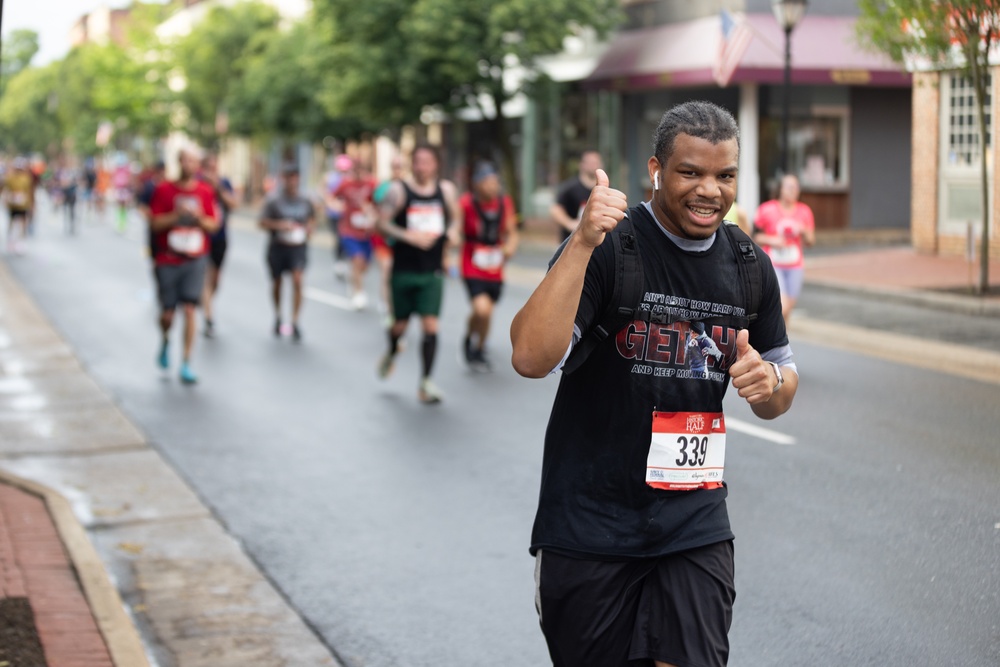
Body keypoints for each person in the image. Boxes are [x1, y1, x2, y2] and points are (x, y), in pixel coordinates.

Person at [510, 100, 799, 667]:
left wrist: (770, 385)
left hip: (694, 520)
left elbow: (781, 385)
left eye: (725, 175)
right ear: (656, 169)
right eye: (691, 172)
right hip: (588, 523)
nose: (709, 191)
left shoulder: (747, 263)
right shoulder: (612, 246)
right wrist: (583, 243)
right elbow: (529, 356)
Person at [375, 144, 461, 404]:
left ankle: (425, 382)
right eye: (418, 161)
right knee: (399, 325)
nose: (421, 166)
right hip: (404, 269)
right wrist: (407, 236)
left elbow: (455, 219)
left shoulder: (445, 190)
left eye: (427, 161)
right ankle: (391, 350)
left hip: (432, 270)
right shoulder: (398, 191)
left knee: (430, 325)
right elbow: (380, 224)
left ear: (436, 164)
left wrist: (454, 233)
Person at [149, 148, 219, 384]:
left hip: (195, 258)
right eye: (186, 160)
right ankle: (166, 339)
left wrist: (198, 217)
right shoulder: (164, 190)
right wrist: (176, 214)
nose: (190, 165)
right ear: (179, 161)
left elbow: (213, 225)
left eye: (194, 161)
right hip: (168, 259)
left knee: (190, 309)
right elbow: (155, 223)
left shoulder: (205, 192)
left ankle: (187, 361)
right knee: (168, 314)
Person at [458, 160, 519, 372]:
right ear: (477, 184)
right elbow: (456, 229)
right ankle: (471, 341)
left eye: (495, 182)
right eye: (487, 182)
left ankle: (479, 347)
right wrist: (451, 241)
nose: (493, 186)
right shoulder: (466, 203)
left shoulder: (504, 202)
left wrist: (510, 246)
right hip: (472, 262)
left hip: (495, 265)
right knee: (481, 309)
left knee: (486, 311)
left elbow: (511, 231)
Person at [260, 163, 316, 342]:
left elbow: (312, 219)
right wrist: (280, 225)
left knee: (298, 280)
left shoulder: (305, 200)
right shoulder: (273, 200)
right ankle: (278, 315)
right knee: (277, 282)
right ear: (283, 178)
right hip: (278, 246)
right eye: (289, 177)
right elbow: (262, 222)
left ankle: (295, 320)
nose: (292, 181)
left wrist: (308, 229)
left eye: (295, 177)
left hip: (298, 247)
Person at [752, 174, 816, 325]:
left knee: (787, 311)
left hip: (795, 265)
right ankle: (769, 339)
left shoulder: (804, 211)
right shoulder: (767, 209)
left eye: (796, 187)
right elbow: (754, 236)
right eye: (789, 187)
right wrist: (772, 240)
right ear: (780, 189)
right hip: (773, 264)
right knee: (782, 307)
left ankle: (780, 344)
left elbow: (811, 241)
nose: (793, 190)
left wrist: (804, 231)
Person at [198, 154, 237, 338]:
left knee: (215, 280)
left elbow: (234, 205)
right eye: (208, 167)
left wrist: (219, 188)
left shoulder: (223, 183)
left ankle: (206, 302)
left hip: (220, 237)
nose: (211, 172)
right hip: (202, 237)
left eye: (214, 167)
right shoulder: (197, 184)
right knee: (206, 276)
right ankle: (208, 316)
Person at [332, 157, 378, 310]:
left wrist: (371, 211)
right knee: (357, 260)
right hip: (349, 230)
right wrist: (336, 205)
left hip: (366, 231)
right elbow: (331, 196)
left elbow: (378, 203)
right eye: (355, 169)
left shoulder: (372, 184)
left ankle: (354, 281)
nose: (357, 173)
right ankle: (359, 293)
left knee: (365, 265)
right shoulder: (346, 184)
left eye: (360, 169)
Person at [372, 155, 404, 322]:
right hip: (384, 238)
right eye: (395, 166)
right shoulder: (383, 187)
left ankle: (397, 305)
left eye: (401, 167)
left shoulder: (409, 188)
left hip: (402, 240)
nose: (398, 170)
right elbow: (376, 209)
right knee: (386, 271)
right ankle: (387, 307)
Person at [550, 150, 602, 242]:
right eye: (590, 162)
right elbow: (556, 210)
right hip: (571, 242)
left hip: (597, 243)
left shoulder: (606, 188)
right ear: (581, 165)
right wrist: (569, 223)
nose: (594, 165)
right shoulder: (570, 188)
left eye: (596, 162)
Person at [3, 158, 35, 254]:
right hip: (13, 204)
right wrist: (8, 198)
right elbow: (5, 189)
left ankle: (21, 242)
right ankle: (11, 240)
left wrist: (31, 203)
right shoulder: (10, 178)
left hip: (23, 204)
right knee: (12, 222)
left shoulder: (26, 178)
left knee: (23, 222)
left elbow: (30, 191)